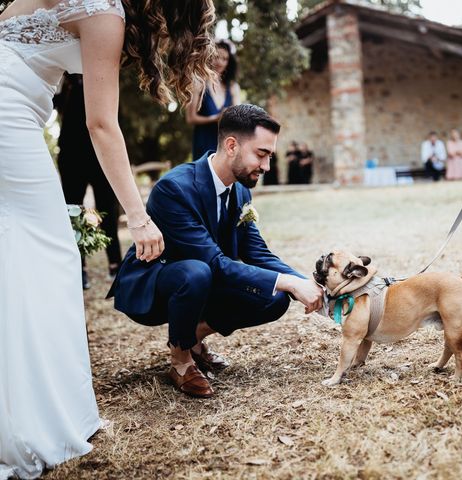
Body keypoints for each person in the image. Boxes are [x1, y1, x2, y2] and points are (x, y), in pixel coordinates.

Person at [0, 0, 216, 477]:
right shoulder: (104, 10)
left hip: (13, 111)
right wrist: (137, 217)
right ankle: (40, 419)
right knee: (52, 253)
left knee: (13, 255)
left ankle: (26, 407)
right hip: (7, 118)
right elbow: (100, 124)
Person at [107, 105, 324, 398]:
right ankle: (180, 360)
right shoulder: (174, 189)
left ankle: (192, 336)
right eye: (261, 154)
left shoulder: (242, 190)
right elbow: (213, 263)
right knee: (197, 272)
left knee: (275, 297)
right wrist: (289, 282)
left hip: (205, 279)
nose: (266, 167)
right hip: (160, 284)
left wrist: (306, 284)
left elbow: (257, 252)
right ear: (232, 146)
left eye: (269, 156)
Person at [54, 73, 123, 288]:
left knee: (108, 210)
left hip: (99, 154)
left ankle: (116, 265)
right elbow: (54, 106)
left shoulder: (103, 75)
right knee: (74, 211)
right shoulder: (65, 81)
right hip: (71, 154)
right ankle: (79, 267)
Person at [187, 39, 241, 160]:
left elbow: (238, 118)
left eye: (225, 59)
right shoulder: (199, 83)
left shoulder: (233, 87)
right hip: (203, 141)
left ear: (229, 62)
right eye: (216, 56)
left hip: (225, 143)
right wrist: (215, 118)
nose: (220, 62)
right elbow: (190, 118)